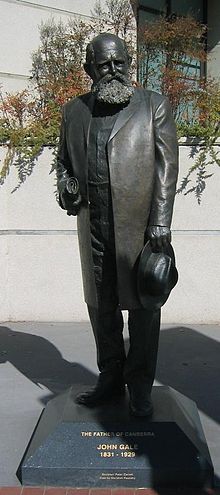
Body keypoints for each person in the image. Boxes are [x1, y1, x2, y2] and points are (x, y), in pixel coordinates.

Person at [56, 33, 178, 416]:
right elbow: (63, 164)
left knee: (144, 307)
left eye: (120, 63)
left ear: (129, 63)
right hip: (92, 226)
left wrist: (160, 221)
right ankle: (110, 376)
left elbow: (167, 167)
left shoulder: (153, 106)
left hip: (139, 228)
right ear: (90, 68)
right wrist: (66, 186)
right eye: (104, 64)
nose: (113, 71)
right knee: (101, 306)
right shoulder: (73, 112)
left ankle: (139, 386)